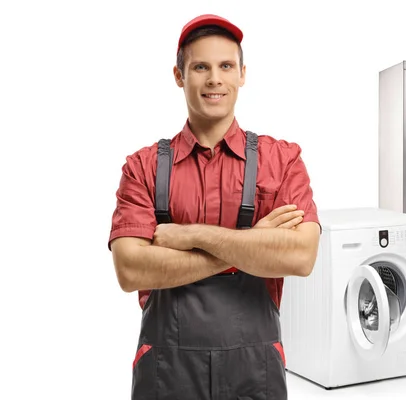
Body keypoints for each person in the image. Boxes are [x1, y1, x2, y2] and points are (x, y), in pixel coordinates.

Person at [107, 14, 321, 400]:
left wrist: (190, 235)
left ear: (242, 74)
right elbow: (130, 269)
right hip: (167, 371)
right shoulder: (142, 168)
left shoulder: (282, 160)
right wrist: (252, 243)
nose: (214, 79)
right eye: (200, 67)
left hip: (254, 371)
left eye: (225, 66)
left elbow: (301, 255)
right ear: (179, 75)